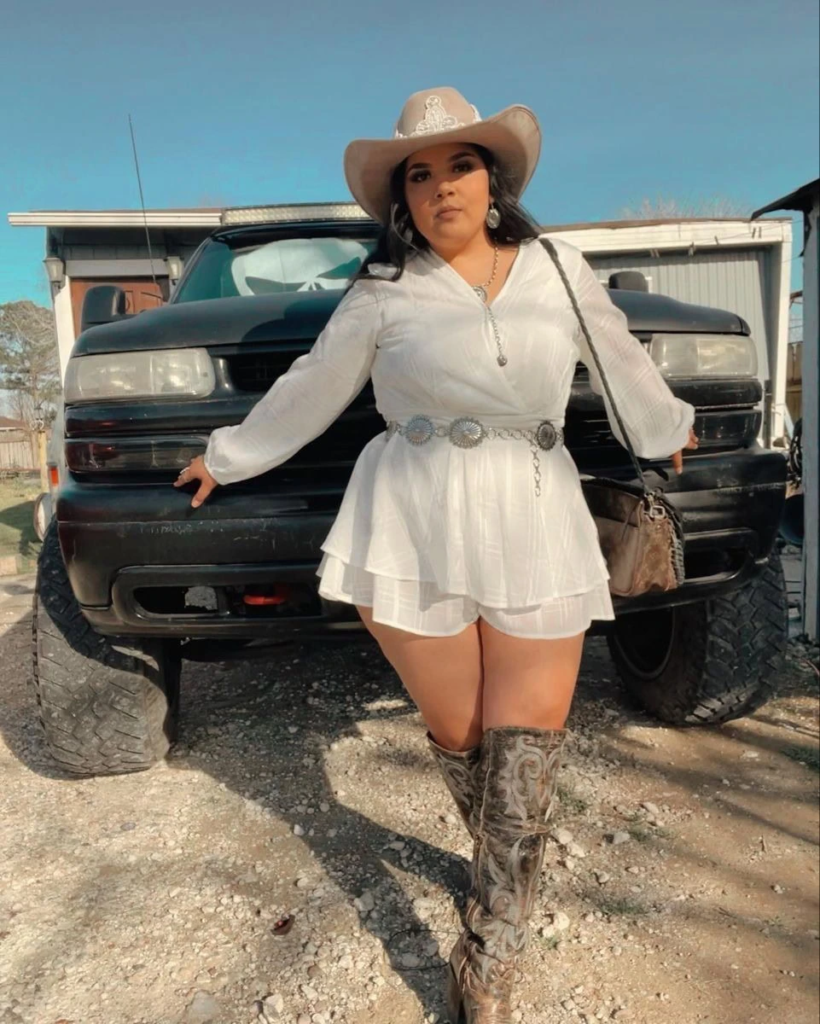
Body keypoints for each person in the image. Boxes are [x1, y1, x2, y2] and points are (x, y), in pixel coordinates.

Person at [174, 86, 699, 1022]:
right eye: (421, 174)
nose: (442, 187)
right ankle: (507, 861)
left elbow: (622, 361)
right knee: (463, 736)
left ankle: (490, 950)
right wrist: (226, 455)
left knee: (526, 744)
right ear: (402, 200)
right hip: (410, 515)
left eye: (460, 165)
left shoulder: (559, 269)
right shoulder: (383, 291)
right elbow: (311, 389)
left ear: (490, 180)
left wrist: (665, 429)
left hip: (535, 510)